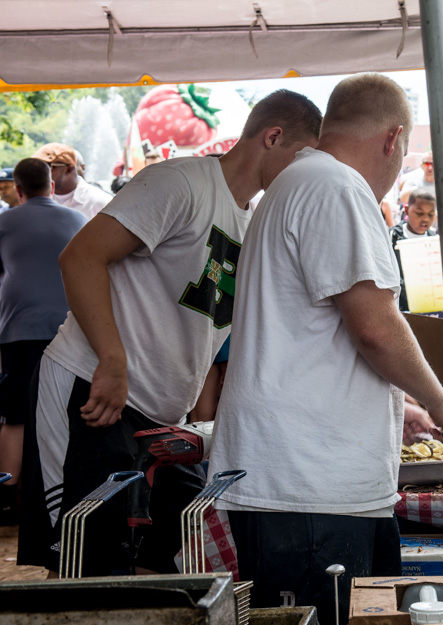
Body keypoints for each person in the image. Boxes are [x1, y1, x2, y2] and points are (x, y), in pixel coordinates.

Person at [17, 90, 322, 577]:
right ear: (273, 137)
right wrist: (112, 359)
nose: (307, 174)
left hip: (163, 421)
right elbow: (80, 257)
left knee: (175, 560)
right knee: (84, 565)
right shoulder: (181, 182)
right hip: (92, 389)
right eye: (303, 158)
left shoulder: (252, 219)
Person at [208, 73, 443, 625]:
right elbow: (374, 327)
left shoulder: (301, 180)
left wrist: (399, 404)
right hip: (307, 489)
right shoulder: (336, 186)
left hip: (303, 482)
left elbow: (315, 332)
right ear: (393, 138)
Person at [0, 159, 86, 523]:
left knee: (16, 415)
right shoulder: (79, 220)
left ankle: (7, 498)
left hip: (21, 330)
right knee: (68, 414)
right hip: (74, 331)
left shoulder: (5, 222)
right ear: (52, 186)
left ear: (18, 189)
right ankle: (69, 494)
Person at [31, 143, 112, 220]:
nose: (40, 173)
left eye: (47, 167)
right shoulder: (33, 199)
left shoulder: (99, 202)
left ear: (68, 169)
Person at [389, 189, 438, 312]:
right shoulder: (392, 237)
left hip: (427, 307)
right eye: (419, 213)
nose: (425, 219)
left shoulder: (434, 240)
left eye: (431, 214)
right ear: (406, 210)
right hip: (399, 307)